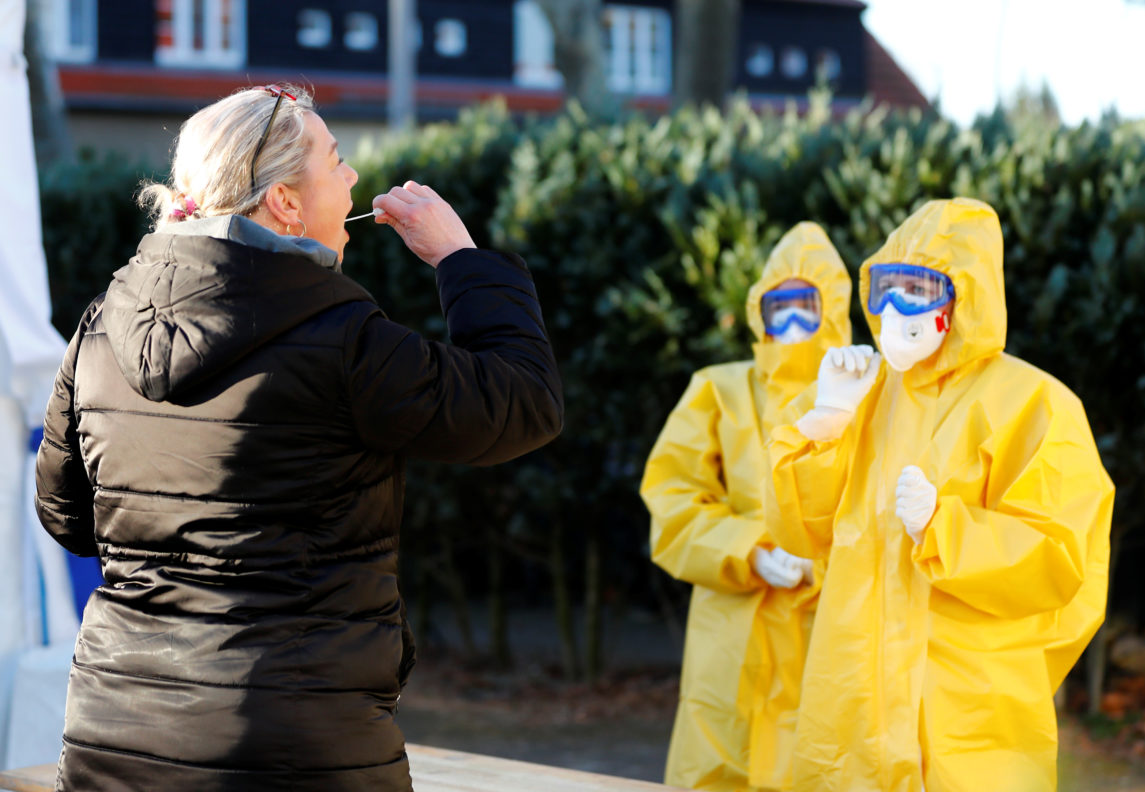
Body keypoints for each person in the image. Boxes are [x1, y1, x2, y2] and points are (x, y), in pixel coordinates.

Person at [34, 84, 563, 791]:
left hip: (116, 740)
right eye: (337, 161)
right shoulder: (344, 341)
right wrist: (460, 259)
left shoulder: (101, 324)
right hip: (293, 748)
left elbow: (67, 516)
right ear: (285, 202)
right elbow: (522, 403)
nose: (351, 180)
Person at [768, 198, 1112, 791]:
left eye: (919, 288)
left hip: (971, 726)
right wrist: (823, 426)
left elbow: (1061, 557)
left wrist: (944, 528)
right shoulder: (860, 390)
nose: (896, 306)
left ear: (963, 298)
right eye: (886, 286)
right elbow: (801, 531)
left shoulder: (1036, 404)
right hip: (851, 717)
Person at [641, 222, 852, 792]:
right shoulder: (718, 390)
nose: (790, 321)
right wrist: (748, 550)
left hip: (830, 624)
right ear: (759, 310)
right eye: (777, 305)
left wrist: (830, 566)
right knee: (719, 759)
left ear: (832, 308)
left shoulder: (869, 394)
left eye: (807, 305)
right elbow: (672, 499)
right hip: (733, 625)